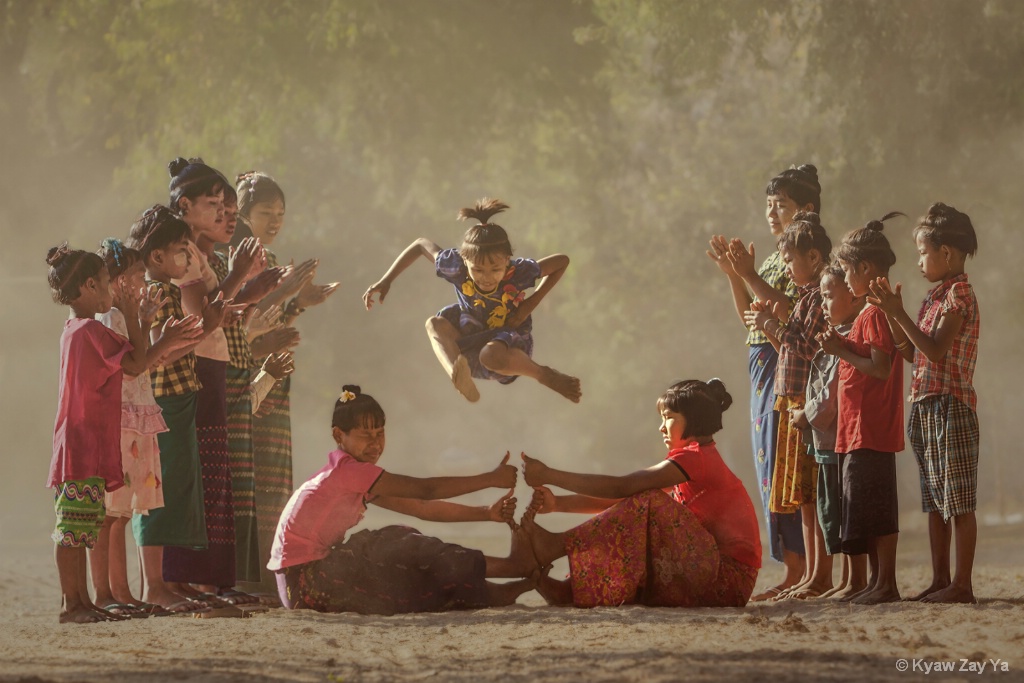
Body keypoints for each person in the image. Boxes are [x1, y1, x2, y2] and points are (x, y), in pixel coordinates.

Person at [268, 386, 536, 613]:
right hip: (306, 584)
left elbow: (422, 508)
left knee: (399, 548)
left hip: (302, 586)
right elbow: (425, 491)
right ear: (339, 436)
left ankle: (490, 591)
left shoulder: (354, 475)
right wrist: (490, 479)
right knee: (392, 546)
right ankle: (513, 567)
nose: (375, 444)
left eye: (380, 434)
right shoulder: (347, 471)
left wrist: (486, 512)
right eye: (365, 436)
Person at [520, 379, 762, 608]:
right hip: (713, 570)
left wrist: (549, 475)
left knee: (650, 501)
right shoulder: (693, 459)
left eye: (668, 418)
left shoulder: (696, 457)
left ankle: (558, 545)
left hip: (728, 579)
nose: (661, 427)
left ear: (693, 419)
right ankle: (570, 589)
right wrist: (558, 503)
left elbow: (622, 487)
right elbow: (625, 500)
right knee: (644, 505)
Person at [706, 165, 819, 599]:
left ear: (806, 210)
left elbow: (792, 308)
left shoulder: (805, 254)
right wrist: (734, 275)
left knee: (785, 462)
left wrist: (749, 275)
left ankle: (802, 567)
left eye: (783, 206)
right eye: (769, 205)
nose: (773, 213)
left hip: (784, 361)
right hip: (760, 360)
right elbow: (748, 320)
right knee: (768, 465)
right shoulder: (774, 257)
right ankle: (793, 567)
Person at [866, 203, 980, 604]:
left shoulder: (960, 295)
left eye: (922, 252)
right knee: (935, 498)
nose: (919, 261)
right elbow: (913, 353)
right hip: (928, 404)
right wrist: (893, 317)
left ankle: (961, 584)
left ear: (946, 253)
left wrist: (898, 312)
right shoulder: (936, 296)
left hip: (951, 405)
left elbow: (934, 350)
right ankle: (940, 579)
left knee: (959, 500)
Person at [362, 198, 581, 403]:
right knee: (434, 324)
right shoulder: (455, 265)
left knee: (490, 355)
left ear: (507, 261)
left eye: (495, 269)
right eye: (477, 269)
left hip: (507, 341)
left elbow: (562, 261)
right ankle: (457, 375)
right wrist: (386, 279)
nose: (486, 277)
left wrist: (529, 305)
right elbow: (421, 245)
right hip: (469, 334)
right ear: (464, 260)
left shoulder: (519, 271)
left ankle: (543, 375)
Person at [125, 205, 232, 614]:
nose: (188, 261)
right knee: (156, 490)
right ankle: (154, 584)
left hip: (179, 398)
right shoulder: (159, 293)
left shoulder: (167, 291)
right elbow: (161, 356)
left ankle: (168, 580)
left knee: (175, 488)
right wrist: (208, 327)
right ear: (156, 258)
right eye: (180, 253)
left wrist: (207, 325)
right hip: (164, 400)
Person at [89, 239, 202, 617]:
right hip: (117, 423)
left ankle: (122, 592)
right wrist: (162, 337)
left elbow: (145, 362)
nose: (141, 282)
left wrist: (153, 327)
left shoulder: (126, 316)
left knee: (120, 514)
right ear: (116, 281)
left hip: (133, 423)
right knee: (107, 514)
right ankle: (105, 594)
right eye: (136, 275)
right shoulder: (109, 319)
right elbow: (135, 366)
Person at [234, 170, 332, 595]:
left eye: (280, 213)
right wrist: (284, 291)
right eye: (264, 213)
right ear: (241, 214)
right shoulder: (234, 262)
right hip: (242, 375)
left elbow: (275, 324)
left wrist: (299, 305)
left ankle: (266, 580)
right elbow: (238, 326)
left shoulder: (271, 262)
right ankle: (241, 579)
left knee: (273, 480)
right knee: (243, 481)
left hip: (271, 378)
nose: (274, 221)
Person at [45, 242, 149, 623]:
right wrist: (132, 314)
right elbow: (137, 361)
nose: (111, 290)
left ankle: (82, 601)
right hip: (80, 446)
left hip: (83, 444)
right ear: (89, 285)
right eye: (107, 282)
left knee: (83, 524)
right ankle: (70, 603)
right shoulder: (88, 330)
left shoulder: (77, 329)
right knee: (71, 528)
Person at [818, 211, 906, 605]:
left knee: (878, 509)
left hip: (871, 429)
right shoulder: (870, 312)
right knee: (866, 508)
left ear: (865, 269)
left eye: (848, 273)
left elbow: (882, 368)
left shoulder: (873, 313)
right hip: (858, 430)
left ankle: (886, 583)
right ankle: (875, 582)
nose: (846, 282)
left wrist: (840, 352)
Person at [744, 212, 832, 599]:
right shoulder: (803, 300)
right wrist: (769, 326)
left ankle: (820, 575)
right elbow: (788, 352)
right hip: (794, 404)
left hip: (808, 404)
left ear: (814, 258)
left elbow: (806, 350)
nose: (787, 269)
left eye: (791, 261)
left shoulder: (817, 299)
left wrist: (769, 324)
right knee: (804, 497)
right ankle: (812, 575)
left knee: (812, 493)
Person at [805, 264, 868, 599]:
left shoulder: (847, 339)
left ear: (854, 299)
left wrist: (806, 413)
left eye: (829, 296)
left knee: (844, 511)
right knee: (834, 510)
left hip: (838, 438)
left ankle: (856, 580)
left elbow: (831, 394)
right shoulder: (835, 337)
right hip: (829, 440)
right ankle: (847, 580)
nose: (823, 305)